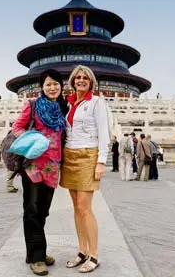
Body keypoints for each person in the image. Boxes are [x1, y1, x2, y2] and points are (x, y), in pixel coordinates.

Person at [12, 69, 66, 276]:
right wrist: (34, 139)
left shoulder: (62, 107)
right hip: (33, 165)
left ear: (61, 86)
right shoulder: (33, 106)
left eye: (56, 84)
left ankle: (33, 251)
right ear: (42, 87)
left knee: (43, 211)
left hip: (52, 167)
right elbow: (17, 128)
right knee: (32, 210)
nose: (52, 88)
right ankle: (37, 257)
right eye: (48, 84)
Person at [60, 65, 110, 273]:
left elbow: (104, 132)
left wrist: (101, 161)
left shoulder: (97, 102)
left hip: (88, 155)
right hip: (69, 155)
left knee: (85, 207)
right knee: (76, 207)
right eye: (78, 77)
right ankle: (82, 251)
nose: (81, 80)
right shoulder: (69, 104)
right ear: (72, 81)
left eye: (85, 78)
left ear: (91, 82)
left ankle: (94, 254)